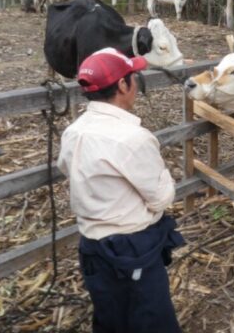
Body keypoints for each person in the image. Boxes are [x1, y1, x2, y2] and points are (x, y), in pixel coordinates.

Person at [58, 47, 184, 333]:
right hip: (131, 247)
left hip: (91, 245)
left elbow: (66, 169)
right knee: (152, 320)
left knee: (110, 316)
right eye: (133, 77)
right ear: (123, 85)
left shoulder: (74, 131)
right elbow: (162, 197)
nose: (136, 83)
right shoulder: (133, 138)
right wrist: (165, 176)